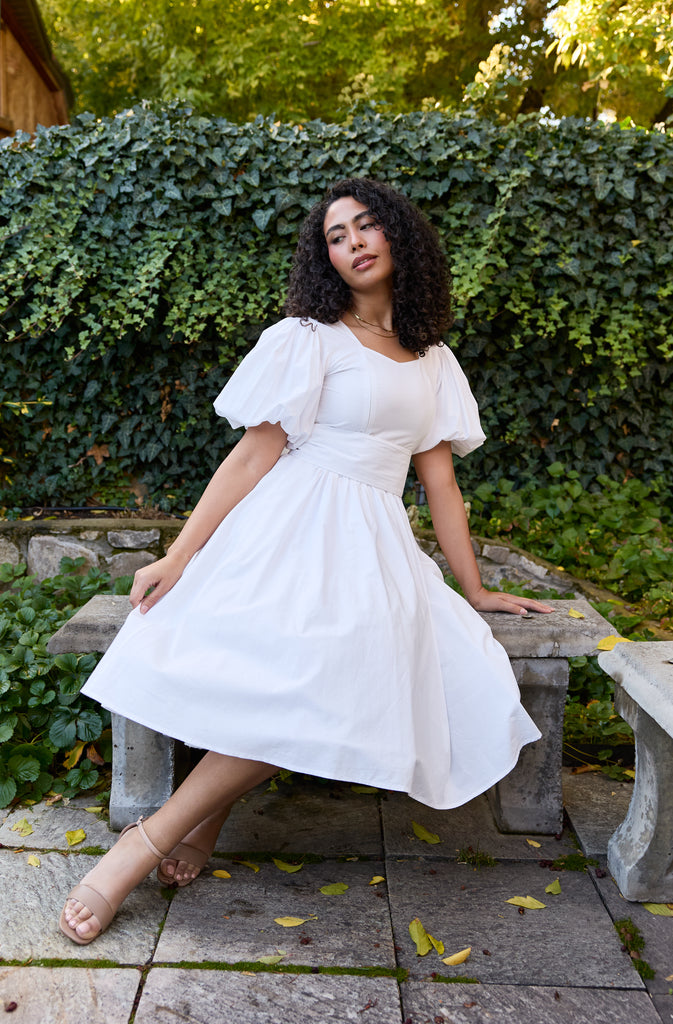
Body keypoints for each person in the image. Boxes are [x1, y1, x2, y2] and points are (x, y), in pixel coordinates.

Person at [59, 178, 552, 945]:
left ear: (397, 238)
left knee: (329, 670)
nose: (353, 242)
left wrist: (475, 587)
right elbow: (252, 456)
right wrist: (180, 555)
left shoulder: (432, 359)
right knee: (293, 666)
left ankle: (181, 823)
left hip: (374, 537)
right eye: (335, 235)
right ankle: (146, 843)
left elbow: (441, 483)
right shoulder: (310, 337)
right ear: (323, 257)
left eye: (366, 227)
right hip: (289, 522)